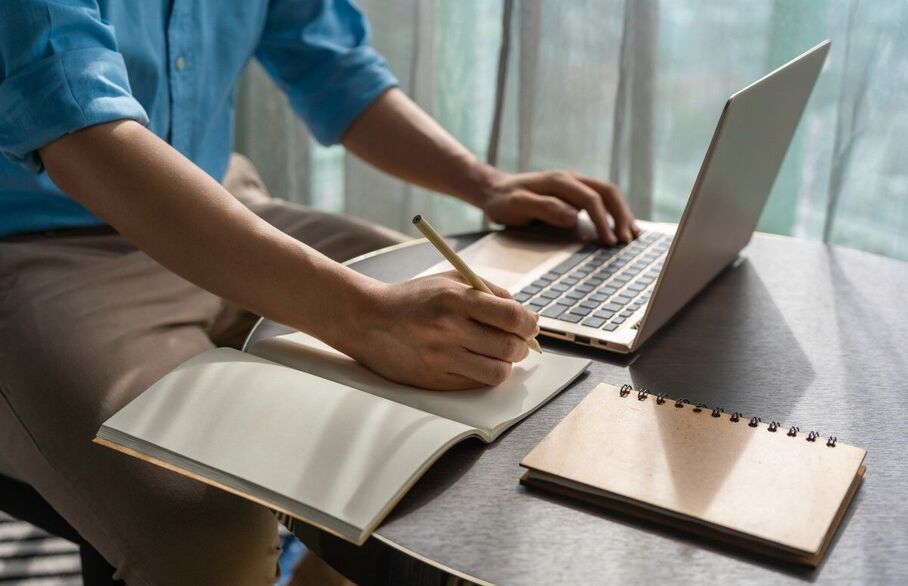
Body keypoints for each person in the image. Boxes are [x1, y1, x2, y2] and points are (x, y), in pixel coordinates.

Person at [0, 1, 638, 584]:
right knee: (209, 530)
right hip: (44, 250)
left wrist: (486, 183)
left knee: (471, 365)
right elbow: (78, 132)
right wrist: (366, 316)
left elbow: (334, 67)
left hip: (222, 203)